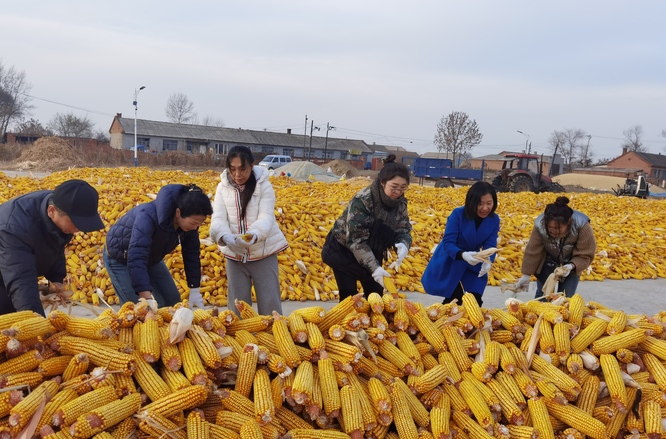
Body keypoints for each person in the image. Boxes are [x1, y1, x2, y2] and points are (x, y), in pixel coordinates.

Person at [0, 179, 105, 316]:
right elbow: (21, 281)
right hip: (7, 266)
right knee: (12, 312)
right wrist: (37, 322)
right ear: (51, 211)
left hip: (14, 265)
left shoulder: (61, 205)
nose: (78, 230)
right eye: (75, 224)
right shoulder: (15, 228)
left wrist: (56, 278)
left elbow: (57, 243)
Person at [104, 184, 212, 308]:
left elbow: (191, 254)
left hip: (151, 257)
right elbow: (137, 256)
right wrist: (146, 297)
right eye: (194, 223)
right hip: (121, 258)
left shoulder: (190, 226)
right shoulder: (148, 217)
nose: (195, 228)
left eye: (199, 223)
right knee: (140, 309)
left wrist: (194, 289)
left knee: (172, 301)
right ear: (178, 212)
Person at [209, 146, 288, 316]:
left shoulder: (264, 187)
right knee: (238, 308)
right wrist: (226, 237)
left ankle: (273, 339)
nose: (237, 174)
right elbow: (218, 218)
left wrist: (253, 236)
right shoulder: (222, 188)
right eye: (232, 169)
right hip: (234, 255)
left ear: (252, 166)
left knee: (270, 307)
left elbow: (266, 218)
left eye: (242, 169)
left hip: (263, 253)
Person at [321, 154, 412, 301]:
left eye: (402, 188)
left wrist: (403, 243)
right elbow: (356, 241)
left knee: (376, 297)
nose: (398, 192)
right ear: (382, 183)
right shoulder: (363, 200)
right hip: (345, 251)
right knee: (349, 299)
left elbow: (403, 228)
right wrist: (374, 268)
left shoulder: (400, 203)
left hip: (372, 249)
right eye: (394, 187)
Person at [421, 181, 500, 306]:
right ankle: (443, 321)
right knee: (454, 299)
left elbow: (490, 244)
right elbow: (448, 242)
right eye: (480, 204)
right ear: (472, 202)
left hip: (473, 260)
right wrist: (463, 255)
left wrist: (489, 260)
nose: (485, 208)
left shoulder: (494, 219)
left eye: (489, 203)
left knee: (475, 301)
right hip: (452, 258)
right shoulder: (458, 214)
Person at [515, 196, 596, 298]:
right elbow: (533, 251)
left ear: (568, 222)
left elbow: (586, 254)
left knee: (566, 297)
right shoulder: (540, 225)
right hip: (547, 263)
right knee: (543, 296)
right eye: (550, 228)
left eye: (558, 228)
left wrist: (571, 266)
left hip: (571, 265)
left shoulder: (582, 225)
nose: (554, 231)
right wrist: (526, 274)